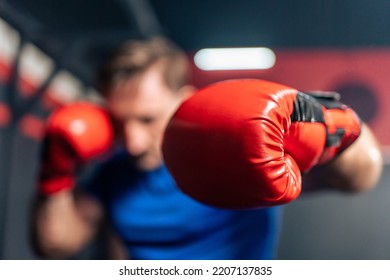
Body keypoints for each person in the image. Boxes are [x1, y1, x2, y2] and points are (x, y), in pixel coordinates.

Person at [31, 36, 383, 260]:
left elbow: (362, 174)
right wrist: (55, 168)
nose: (134, 142)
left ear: (182, 100)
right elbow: (56, 246)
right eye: (121, 123)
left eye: (147, 120)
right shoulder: (116, 171)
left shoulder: (234, 152)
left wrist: (324, 124)